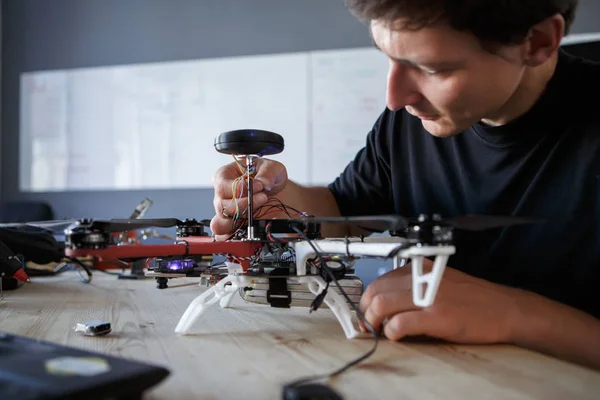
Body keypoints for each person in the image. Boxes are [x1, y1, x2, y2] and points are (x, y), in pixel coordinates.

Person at [211, 0, 600, 370]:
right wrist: (275, 199)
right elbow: (344, 216)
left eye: (432, 69)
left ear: (537, 42)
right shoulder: (408, 123)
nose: (396, 98)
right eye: (389, 57)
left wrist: (516, 314)